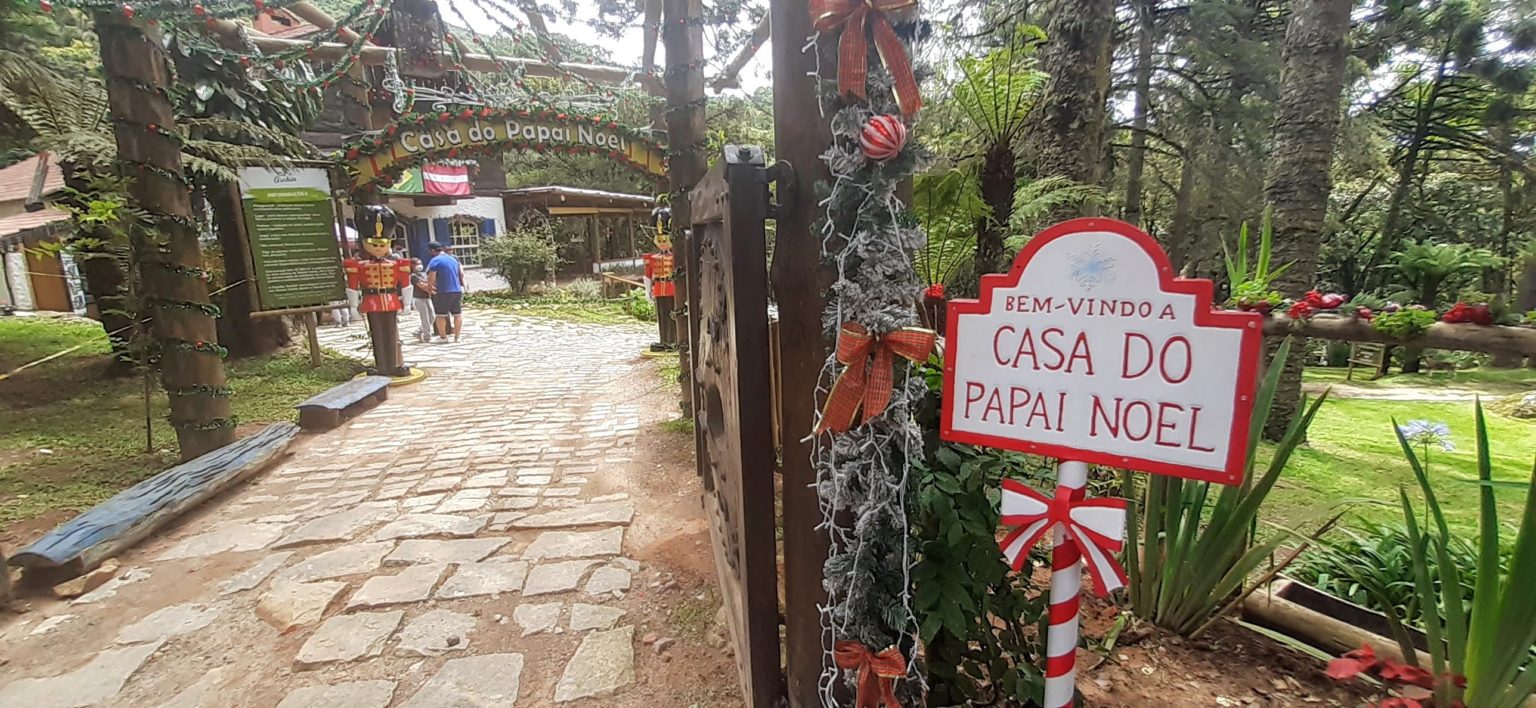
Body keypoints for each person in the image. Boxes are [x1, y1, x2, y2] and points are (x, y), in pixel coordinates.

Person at [426, 241, 465, 342]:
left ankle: (443, 337)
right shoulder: (453, 259)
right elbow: (460, 274)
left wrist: (430, 288)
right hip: (456, 290)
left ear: (432, 250)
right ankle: (457, 337)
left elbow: (432, 276)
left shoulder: (435, 260)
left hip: (443, 291)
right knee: (457, 314)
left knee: (440, 315)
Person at [409, 258, 435, 343]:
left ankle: (418, 331)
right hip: (418, 298)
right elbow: (422, 285)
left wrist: (430, 287)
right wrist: (432, 289)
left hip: (427, 297)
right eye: (417, 264)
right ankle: (427, 336)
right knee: (425, 318)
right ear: (412, 265)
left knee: (432, 316)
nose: (419, 265)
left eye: (420, 263)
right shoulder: (413, 276)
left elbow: (429, 282)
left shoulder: (423, 274)